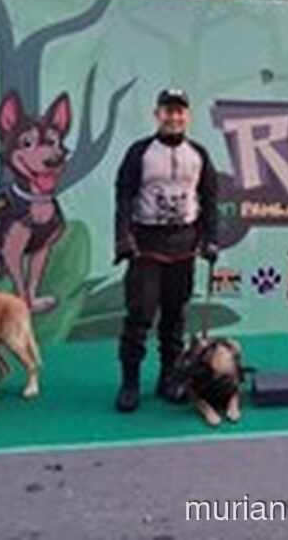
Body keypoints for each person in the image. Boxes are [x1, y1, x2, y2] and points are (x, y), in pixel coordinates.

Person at [114, 88, 219, 412]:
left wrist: (210, 238)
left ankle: (168, 380)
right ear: (157, 114)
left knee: (175, 319)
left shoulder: (198, 154)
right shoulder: (140, 152)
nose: (174, 117)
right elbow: (123, 197)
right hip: (147, 245)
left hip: (184, 246)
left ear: (187, 116)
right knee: (139, 317)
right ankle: (130, 384)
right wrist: (123, 238)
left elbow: (211, 200)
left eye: (180, 112)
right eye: (168, 111)